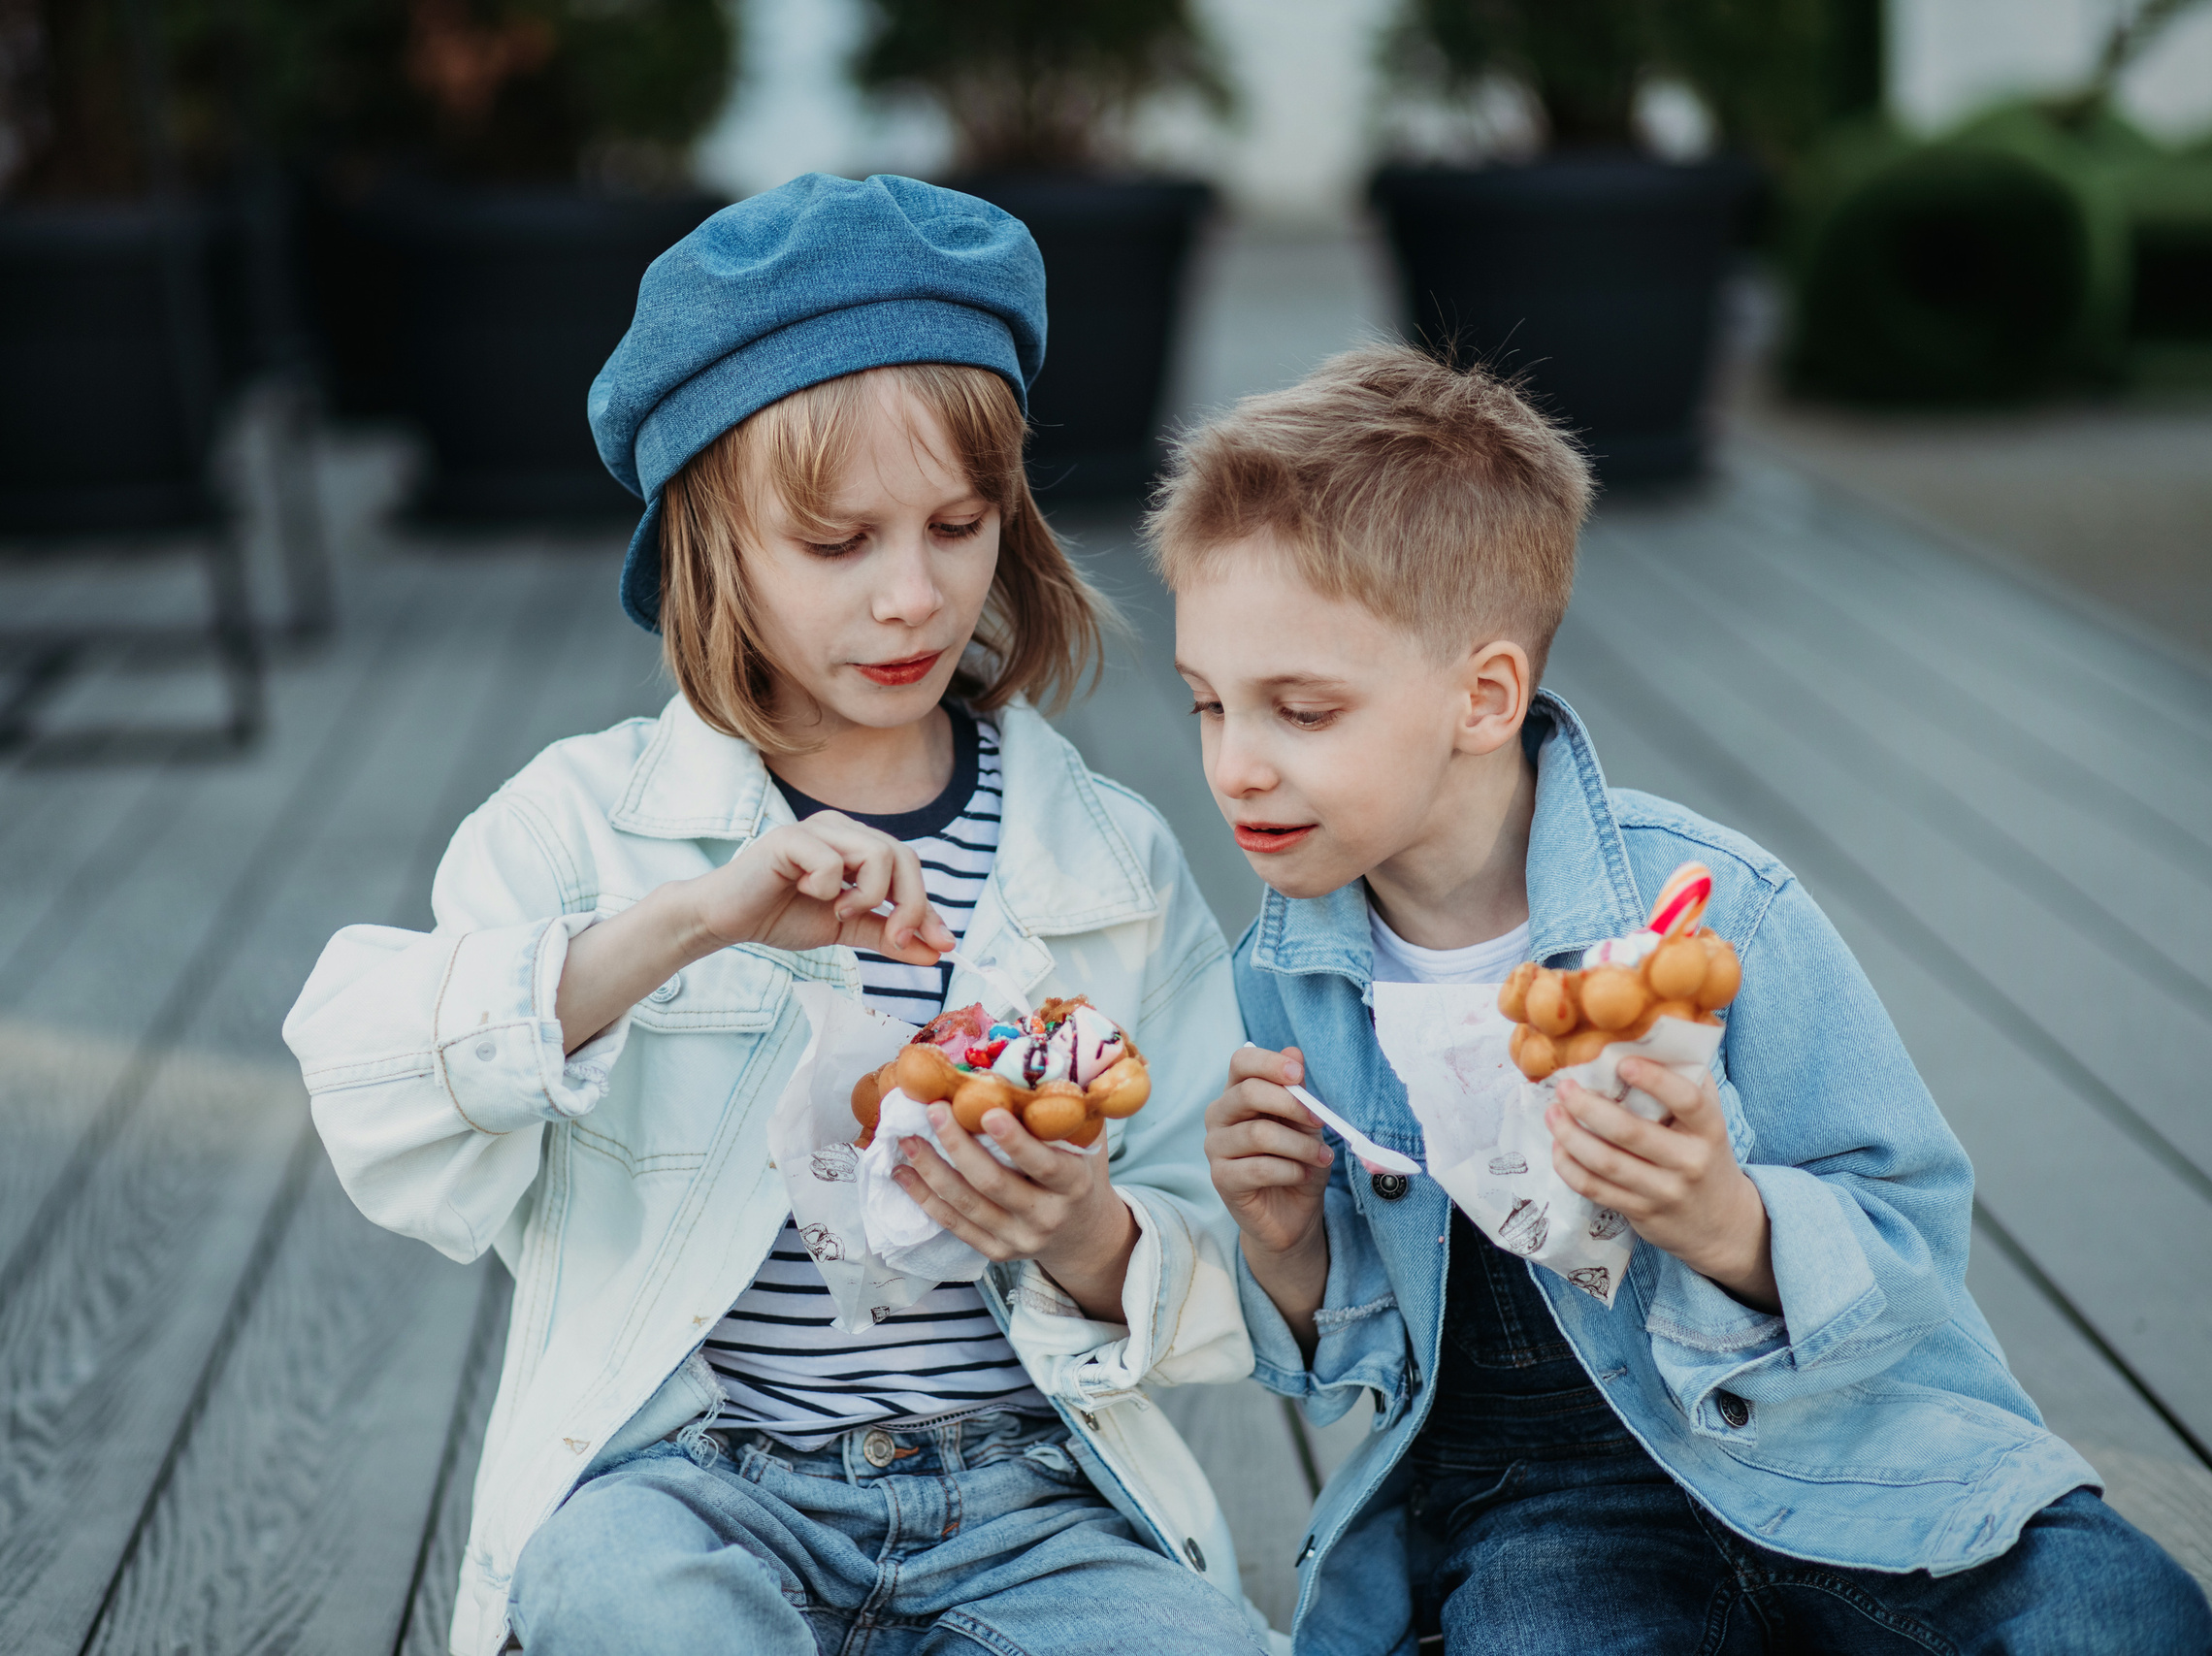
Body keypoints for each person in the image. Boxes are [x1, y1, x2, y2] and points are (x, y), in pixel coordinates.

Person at [283, 175, 1270, 1656]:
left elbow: (1235, 1269)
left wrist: (1085, 1233)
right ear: (709, 539)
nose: (910, 599)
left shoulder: (1106, 862)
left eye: (957, 523)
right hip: (690, 1488)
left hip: (1024, 1505)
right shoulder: (583, 826)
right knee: (620, 1601)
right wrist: (689, 923)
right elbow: (371, 1086)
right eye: (837, 543)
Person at [1150, 343, 2212, 1655]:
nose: (1235, 765)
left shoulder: (1720, 913)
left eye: (1300, 710)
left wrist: (1724, 1219)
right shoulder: (1288, 979)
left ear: (1484, 697)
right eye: (1207, 705)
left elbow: (1912, 1234)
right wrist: (1282, 1243)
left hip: (1837, 1443)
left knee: (2127, 1620)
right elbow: (1349, 1369)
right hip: (1546, 1497)